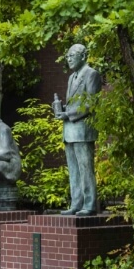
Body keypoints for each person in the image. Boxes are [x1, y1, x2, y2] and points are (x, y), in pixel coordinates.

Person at [54, 44, 102, 216]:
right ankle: (76, 204)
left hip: (83, 130)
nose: (69, 59)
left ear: (83, 56)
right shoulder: (71, 77)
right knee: (73, 170)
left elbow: (90, 104)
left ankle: (89, 205)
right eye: (67, 56)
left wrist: (68, 114)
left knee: (85, 168)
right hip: (70, 130)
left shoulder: (92, 74)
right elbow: (75, 103)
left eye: (72, 55)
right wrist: (63, 110)